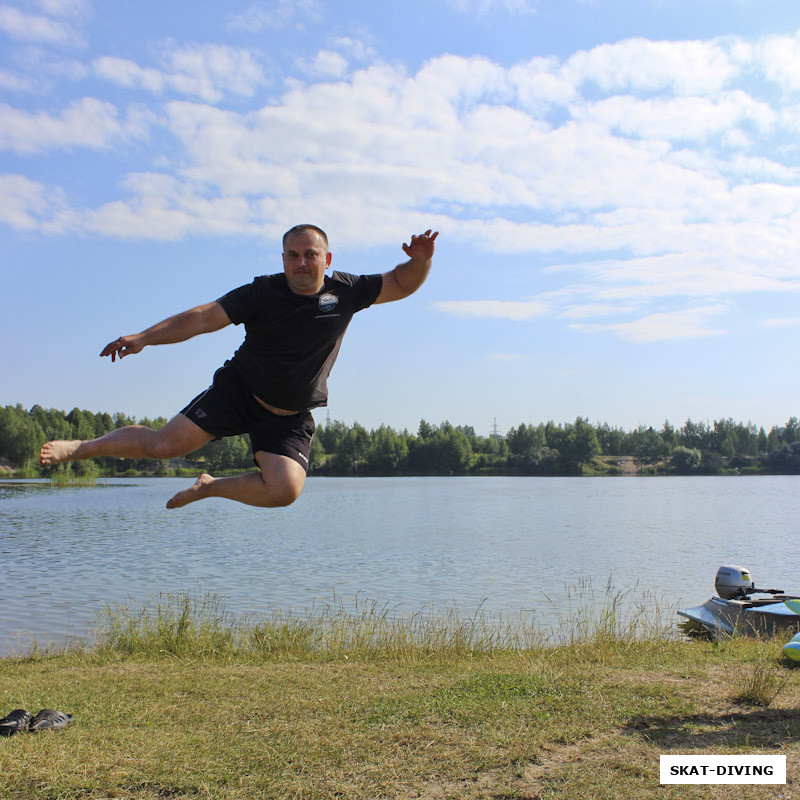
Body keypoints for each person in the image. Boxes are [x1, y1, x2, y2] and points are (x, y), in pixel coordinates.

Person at [39, 225, 438, 509]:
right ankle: (80, 448)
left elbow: (401, 283)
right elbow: (200, 318)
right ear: (283, 259)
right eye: (293, 255)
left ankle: (210, 488)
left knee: (284, 491)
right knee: (162, 446)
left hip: (289, 416)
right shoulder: (261, 293)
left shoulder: (346, 291)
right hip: (239, 392)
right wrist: (145, 337)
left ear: (326, 259)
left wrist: (421, 262)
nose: (302, 262)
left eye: (310, 254)